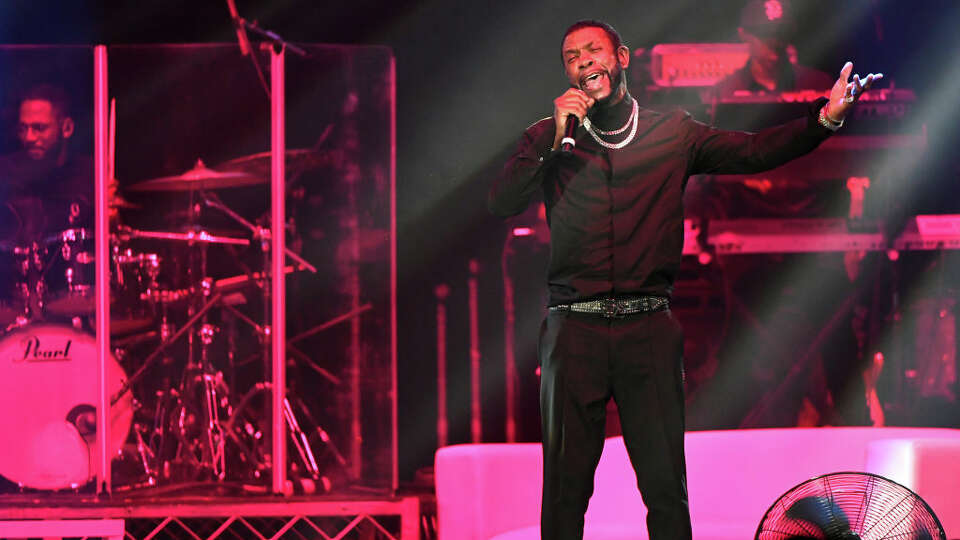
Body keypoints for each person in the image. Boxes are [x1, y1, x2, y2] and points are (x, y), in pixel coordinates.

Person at [488, 19, 881, 540]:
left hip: (647, 330)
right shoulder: (549, 136)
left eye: (593, 50)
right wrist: (553, 138)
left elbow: (753, 150)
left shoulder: (671, 132)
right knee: (564, 489)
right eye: (571, 56)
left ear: (622, 58)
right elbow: (500, 201)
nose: (582, 61)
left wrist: (824, 119)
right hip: (572, 332)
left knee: (665, 487)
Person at [714, 0, 834, 96]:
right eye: (764, 34)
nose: (774, 42)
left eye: (781, 33)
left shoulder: (819, 85)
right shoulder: (724, 92)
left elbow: (830, 126)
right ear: (743, 35)